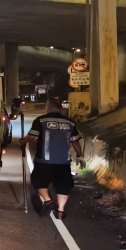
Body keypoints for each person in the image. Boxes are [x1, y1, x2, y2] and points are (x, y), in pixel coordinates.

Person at [19, 91, 84, 220]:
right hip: (63, 162)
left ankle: (48, 201)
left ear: (47, 108)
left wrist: (23, 141)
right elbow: (75, 141)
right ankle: (60, 211)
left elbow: (32, 136)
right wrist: (80, 155)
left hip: (44, 161)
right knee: (63, 185)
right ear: (61, 109)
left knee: (38, 181)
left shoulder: (41, 120)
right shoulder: (70, 123)